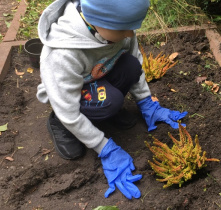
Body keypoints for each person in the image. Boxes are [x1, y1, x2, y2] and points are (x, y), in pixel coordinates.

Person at [37, 0, 188, 200]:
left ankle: (103, 111)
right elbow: (68, 110)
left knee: (131, 66)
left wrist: (146, 102)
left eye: (133, 27)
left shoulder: (120, 29)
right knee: (109, 102)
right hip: (67, 98)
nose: (130, 34)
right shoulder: (63, 54)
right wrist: (104, 147)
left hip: (98, 75)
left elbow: (135, 61)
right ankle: (59, 124)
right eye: (125, 29)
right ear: (98, 19)